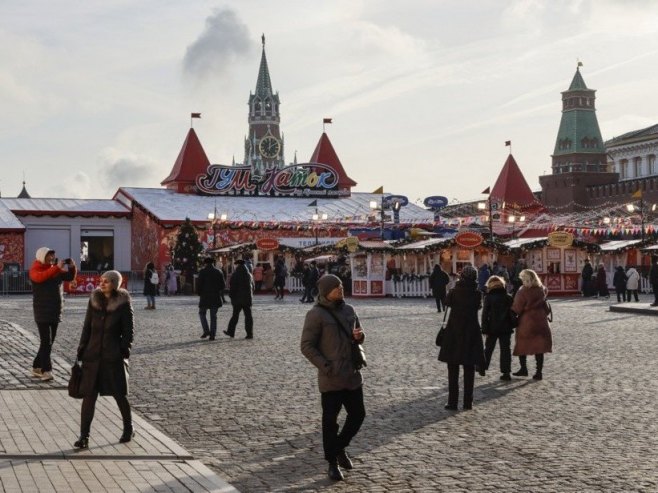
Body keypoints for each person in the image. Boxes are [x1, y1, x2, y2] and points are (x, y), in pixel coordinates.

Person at [301, 274, 366, 482]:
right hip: (331, 377)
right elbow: (306, 346)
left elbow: (358, 335)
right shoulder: (316, 315)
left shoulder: (349, 310)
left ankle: (339, 448)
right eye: (336, 287)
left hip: (352, 374)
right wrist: (325, 366)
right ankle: (332, 462)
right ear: (326, 291)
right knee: (330, 421)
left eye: (341, 286)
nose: (341, 289)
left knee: (358, 415)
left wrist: (360, 337)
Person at [74, 270, 134, 449]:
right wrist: (82, 348)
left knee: (119, 394)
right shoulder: (94, 299)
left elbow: (128, 330)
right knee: (89, 396)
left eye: (107, 281)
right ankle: (84, 436)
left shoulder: (123, 302)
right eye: (101, 280)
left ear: (115, 283)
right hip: (92, 355)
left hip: (112, 355)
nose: (102, 284)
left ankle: (128, 428)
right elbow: (87, 327)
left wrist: (123, 349)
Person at [438, 265, 485, 411]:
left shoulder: (454, 291)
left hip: (454, 331)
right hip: (471, 332)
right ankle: (468, 402)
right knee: (469, 368)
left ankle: (452, 402)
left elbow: (447, 304)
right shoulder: (477, 293)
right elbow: (478, 307)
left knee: (453, 368)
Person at [29, 247, 77, 381]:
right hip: (42, 311)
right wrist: (56, 268)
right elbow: (40, 277)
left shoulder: (55, 269)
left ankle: (36, 366)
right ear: (42, 257)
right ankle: (46, 370)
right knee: (46, 341)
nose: (51, 258)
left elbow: (69, 277)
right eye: (49, 256)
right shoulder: (35, 269)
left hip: (55, 310)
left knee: (49, 342)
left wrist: (72, 267)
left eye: (52, 256)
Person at [511, 269, 552, 380]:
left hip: (527, 321)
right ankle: (539, 372)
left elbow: (517, 308)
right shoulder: (542, 289)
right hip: (541, 320)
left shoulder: (523, 291)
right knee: (539, 347)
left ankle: (523, 369)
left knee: (522, 344)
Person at [481, 275, 515, 381]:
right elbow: (512, 312)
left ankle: (482, 367)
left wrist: (484, 328)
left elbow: (485, 314)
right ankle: (506, 372)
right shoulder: (508, 297)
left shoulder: (489, 298)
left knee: (488, 349)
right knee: (505, 350)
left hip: (492, 327)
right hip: (506, 327)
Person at [223, 259, 255, 339]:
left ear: (237, 265)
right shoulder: (249, 275)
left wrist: (231, 296)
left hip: (237, 299)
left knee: (235, 316)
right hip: (247, 299)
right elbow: (253, 287)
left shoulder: (235, 275)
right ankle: (249, 334)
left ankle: (231, 332)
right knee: (248, 317)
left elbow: (233, 287)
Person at [197, 257, 226, 340]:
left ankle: (206, 331)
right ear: (213, 263)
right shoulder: (218, 272)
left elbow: (199, 284)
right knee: (213, 316)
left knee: (202, 313)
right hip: (215, 297)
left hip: (204, 297)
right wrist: (218, 291)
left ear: (205, 263)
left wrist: (200, 293)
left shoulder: (202, 272)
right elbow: (223, 285)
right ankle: (212, 334)